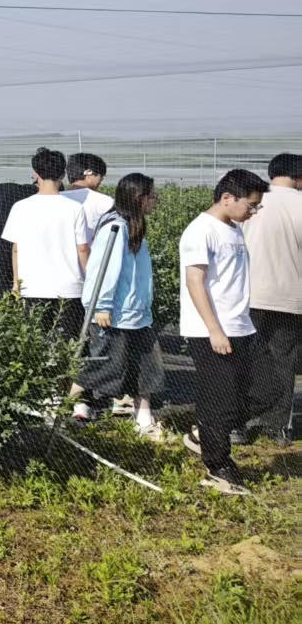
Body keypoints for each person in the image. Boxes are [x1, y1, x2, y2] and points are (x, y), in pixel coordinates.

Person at [178, 168, 268, 495]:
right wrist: (214, 330)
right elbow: (195, 281)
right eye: (251, 205)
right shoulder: (201, 230)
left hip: (241, 325)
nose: (253, 212)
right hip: (212, 331)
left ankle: (204, 434)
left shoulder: (234, 228)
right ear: (227, 198)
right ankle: (218, 468)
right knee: (220, 401)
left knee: (264, 391)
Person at [79, 173, 164, 438]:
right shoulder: (115, 228)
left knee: (147, 366)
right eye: (151, 196)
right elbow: (103, 269)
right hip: (115, 314)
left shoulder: (132, 227)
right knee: (103, 368)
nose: (154, 201)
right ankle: (60, 407)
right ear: (139, 198)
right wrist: (102, 305)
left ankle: (144, 419)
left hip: (137, 314)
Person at [0, 147, 90, 336]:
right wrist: (90, 279)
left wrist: (16, 283)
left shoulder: (21, 207)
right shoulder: (75, 208)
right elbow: (82, 249)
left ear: (35, 174)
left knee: (35, 341)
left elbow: (16, 249)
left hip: (32, 287)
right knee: (67, 342)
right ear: (63, 175)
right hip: (69, 288)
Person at [244, 152, 301, 443]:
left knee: (246, 357)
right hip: (290, 297)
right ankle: (278, 427)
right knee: (283, 359)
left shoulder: (251, 202)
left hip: (248, 294)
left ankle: (239, 423)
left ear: (271, 174)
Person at [64, 153, 115, 230]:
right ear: (89, 172)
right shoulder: (105, 202)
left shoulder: (56, 199)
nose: (101, 180)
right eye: (101, 176)